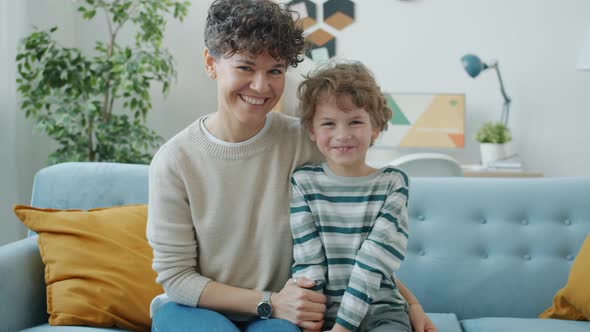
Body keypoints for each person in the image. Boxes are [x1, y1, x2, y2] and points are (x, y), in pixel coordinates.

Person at [147, 0, 437, 331]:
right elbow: (177, 278)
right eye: (245, 67)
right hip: (197, 309)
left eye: (275, 70)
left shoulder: (307, 140)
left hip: (282, 314)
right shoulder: (175, 161)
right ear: (211, 63)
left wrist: (410, 304)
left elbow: (353, 243)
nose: (261, 86)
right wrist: (270, 301)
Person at [290, 61, 412, 332]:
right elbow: (308, 261)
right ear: (312, 130)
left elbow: (372, 260)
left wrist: (343, 328)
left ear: (376, 128)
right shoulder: (303, 183)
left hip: (382, 311)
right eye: (328, 123)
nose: (342, 135)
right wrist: (314, 321)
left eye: (355, 122)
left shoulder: (393, 184)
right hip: (326, 314)